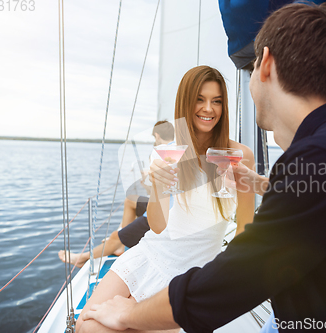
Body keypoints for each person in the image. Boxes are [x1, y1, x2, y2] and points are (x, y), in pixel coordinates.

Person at [82, 3, 326, 333]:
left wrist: (131, 313)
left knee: (91, 327)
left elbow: (233, 282)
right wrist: (263, 185)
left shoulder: (321, 159)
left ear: (266, 64)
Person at [76, 65, 255, 332]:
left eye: (216, 101)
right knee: (85, 326)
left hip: (192, 274)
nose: (209, 109)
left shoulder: (240, 155)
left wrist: (225, 279)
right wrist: (156, 187)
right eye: (200, 99)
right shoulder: (166, 154)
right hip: (152, 254)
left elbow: (244, 227)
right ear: (185, 102)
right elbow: (157, 226)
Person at [58, 120, 175, 268]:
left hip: (163, 212)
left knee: (114, 237)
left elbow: (157, 192)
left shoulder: (161, 153)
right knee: (130, 201)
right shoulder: (178, 149)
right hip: (168, 204)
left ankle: (83, 258)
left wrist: (148, 180)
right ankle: (121, 240)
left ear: (157, 135)